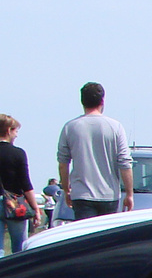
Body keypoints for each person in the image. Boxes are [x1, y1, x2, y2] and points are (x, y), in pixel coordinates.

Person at [57, 81, 133, 219]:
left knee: (86, 237)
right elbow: (125, 163)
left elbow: (63, 163)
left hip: (82, 194)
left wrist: (66, 190)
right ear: (102, 100)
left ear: (82, 101)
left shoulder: (70, 127)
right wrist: (129, 194)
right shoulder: (115, 127)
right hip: (109, 194)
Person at [0, 113, 42, 260]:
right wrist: (36, 209)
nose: (16, 135)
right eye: (16, 131)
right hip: (15, 204)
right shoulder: (18, 153)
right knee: (19, 249)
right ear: (8, 130)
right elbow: (26, 184)